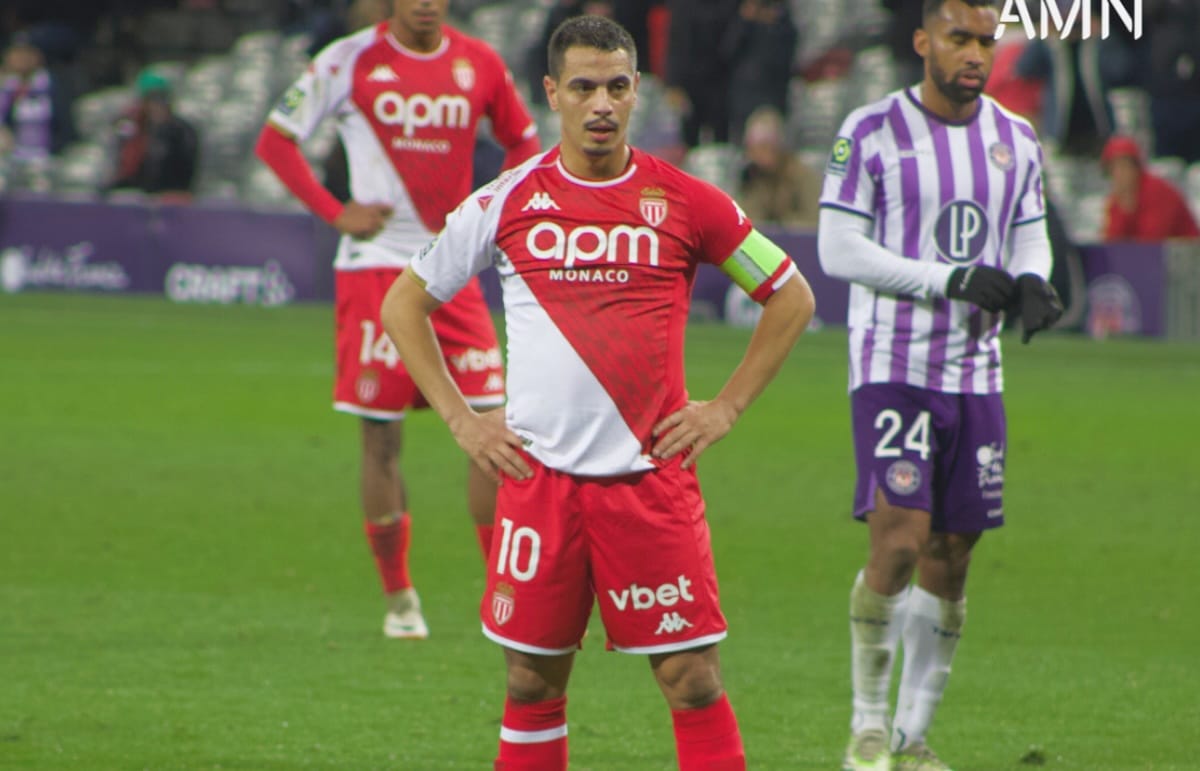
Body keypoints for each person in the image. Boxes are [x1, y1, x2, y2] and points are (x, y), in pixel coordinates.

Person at [379, 15, 814, 768]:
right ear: (553, 94)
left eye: (617, 86)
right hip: (540, 484)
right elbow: (403, 302)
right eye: (583, 87)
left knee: (692, 679)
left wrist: (726, 405)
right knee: (530, 678)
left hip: (650, 487)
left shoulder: (685, 199)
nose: (601, 103)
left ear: (637, 89)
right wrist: (462, 420)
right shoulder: (508, 200)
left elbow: (791, 294)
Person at [816, 1, 1063, 769]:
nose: (976, 56)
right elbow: (838, 249)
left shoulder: (1015, 138)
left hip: (976, 372)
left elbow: (1029, 232)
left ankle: (913, 737)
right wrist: (947, 277)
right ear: (923, 41)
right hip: (894, 364)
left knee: (953, 554)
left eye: (988, 42)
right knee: (898, 541)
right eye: (960, 39)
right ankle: (865, 725)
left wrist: (1034, 283)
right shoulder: (869, 130)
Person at [254, 0, 541, 640]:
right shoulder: (348, 58)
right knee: (380, 439)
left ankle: (502, 592)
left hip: (454, 269)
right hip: (376, 267)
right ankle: (400, 598)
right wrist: (335, 211)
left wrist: (496, 203)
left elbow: (524, 138)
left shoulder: (480, 62)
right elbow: (275, 141)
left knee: (497, 429)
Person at [0, 32, 75, 191]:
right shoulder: (7, 87)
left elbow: (67, 127)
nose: (21, 59)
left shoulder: (52, 86)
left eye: (27, 53)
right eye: (17, 53)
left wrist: (54, 151)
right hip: (11, 160)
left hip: (46, 162)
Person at [110, 70, 199, 200]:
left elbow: (185, 169)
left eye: (161, 98)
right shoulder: (132, 127)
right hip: (138, 197)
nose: (156, 104)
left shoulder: (181, 131)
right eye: (151, 99)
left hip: (171, 197)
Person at [1101, 135, 1200, 242]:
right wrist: (1124, 209)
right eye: (1114, 168)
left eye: (1124, 166)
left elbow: (1153, 240)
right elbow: (1111, 243)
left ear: (1136, 167)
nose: (1119, 174)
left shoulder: (1156, 190)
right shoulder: (1117, 199)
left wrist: (1128, 207)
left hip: (1187, 253)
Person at [736, 106, 821, 229]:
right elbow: (745, 218)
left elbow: (813, 222)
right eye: (752, 148)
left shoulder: (802, 176)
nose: (756, 155)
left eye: (763, 147)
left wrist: (783, 222)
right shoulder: (750, 177)